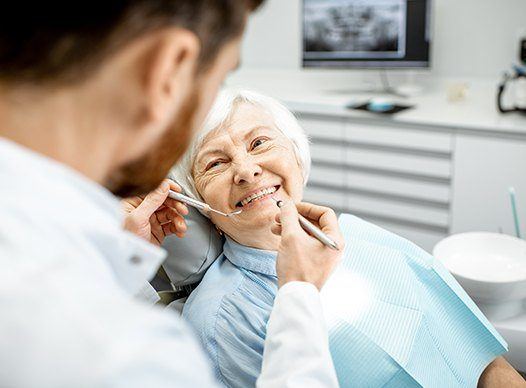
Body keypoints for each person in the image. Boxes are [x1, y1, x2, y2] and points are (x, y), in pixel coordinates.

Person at [0, 2, 344, 387]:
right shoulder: (133, 353)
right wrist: (298, 294)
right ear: (169, 68)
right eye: (221, 78)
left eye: (260, 142)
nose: (246, 170)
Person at [171, 89, 526, 387]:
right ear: (199, 203)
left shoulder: (366, 238)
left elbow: (481, 359)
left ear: (296, 153)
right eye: (215, 164)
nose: (246, 170)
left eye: (260, 142)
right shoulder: (222, 320)